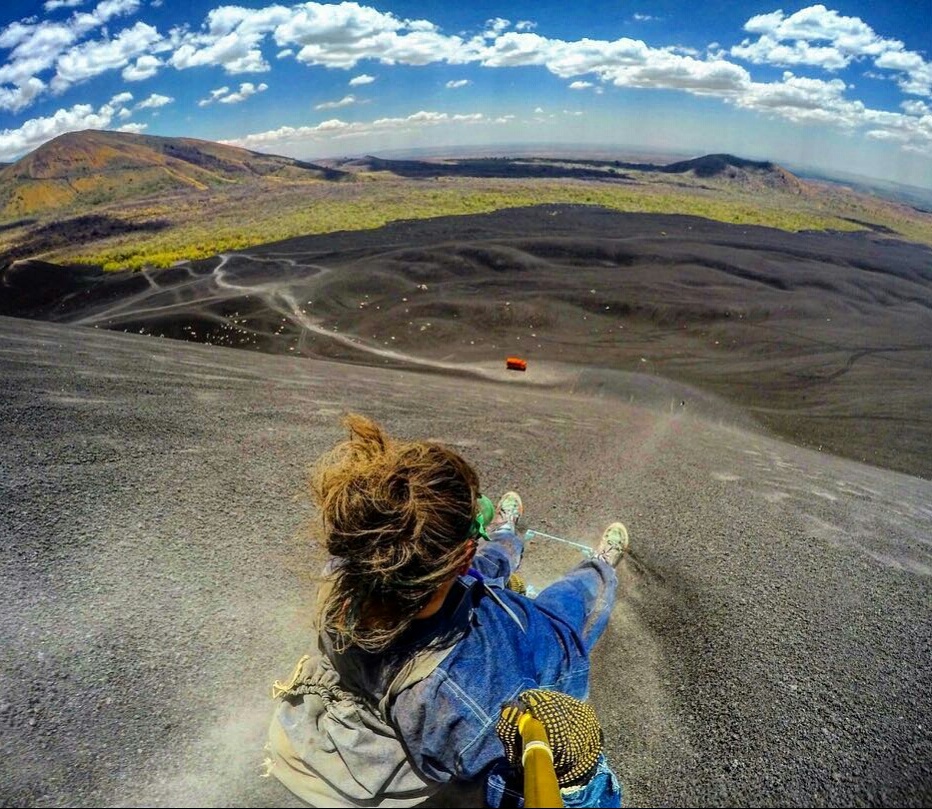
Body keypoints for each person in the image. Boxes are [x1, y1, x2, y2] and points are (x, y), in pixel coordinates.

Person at [266, 414, 628, 808]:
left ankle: (506, 534)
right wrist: (580, 780)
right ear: (462, 555)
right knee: (571, 599)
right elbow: (514, 791)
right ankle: (601, 567)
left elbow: (433, 561)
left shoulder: (349, 569)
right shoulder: (467, 701)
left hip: (449, 592)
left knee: (492, 564)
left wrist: (462, 543)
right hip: (533, 640)